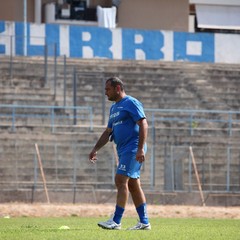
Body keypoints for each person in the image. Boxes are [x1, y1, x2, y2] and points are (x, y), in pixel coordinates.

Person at [88, 77, 151, 230]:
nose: (105, 93)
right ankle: (144, 222)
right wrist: (95, 148)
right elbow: (108, 131)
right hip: (123, 150)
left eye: (107, 89)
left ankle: (116, 221)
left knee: (120, 180)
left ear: (117, 88)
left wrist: (140, 148)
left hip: (133, 148)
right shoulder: (114, 108)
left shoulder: (131, 102)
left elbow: (143, 123)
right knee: (133, 185)